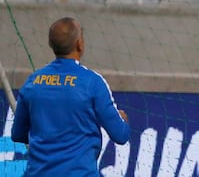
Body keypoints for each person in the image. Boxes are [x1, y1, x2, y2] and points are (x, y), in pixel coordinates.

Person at [11, 17, 130, 176]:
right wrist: (123, 119)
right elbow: (121, 135)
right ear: (79, 44)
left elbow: (18, 134)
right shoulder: (92, 83)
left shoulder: (33, 82)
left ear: (51, 45)